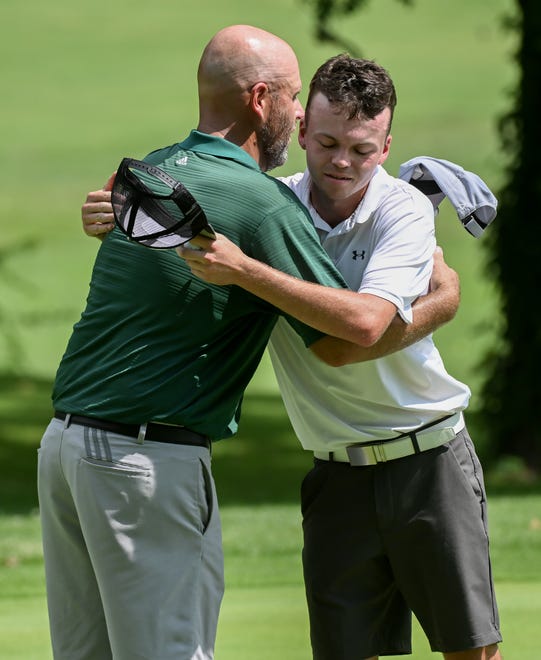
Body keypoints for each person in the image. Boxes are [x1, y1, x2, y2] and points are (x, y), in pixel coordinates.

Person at [43, 26, 458, 660]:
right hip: (144, 463)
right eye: (294, 99)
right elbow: (353, 334)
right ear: (261, 99)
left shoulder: (148, 172)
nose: (297, 113)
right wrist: (443, 301)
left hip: (65, 452)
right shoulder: (262, 203)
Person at [172, 56, 503, 660]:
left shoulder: (402, 209)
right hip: (334, 473)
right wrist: (108, 216)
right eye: (326, 142)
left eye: (363, 148)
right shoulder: (268, 206)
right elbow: (178, 210)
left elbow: (357, 337)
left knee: (471, 652)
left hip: (428, 459)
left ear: (387, 144)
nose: (342, 161)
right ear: (299, 132)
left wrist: (248, 271)